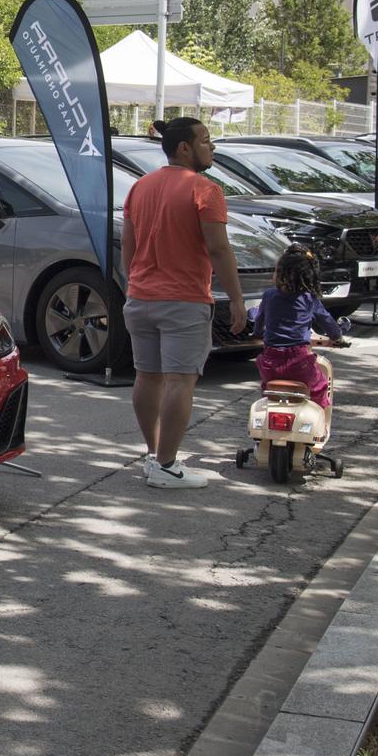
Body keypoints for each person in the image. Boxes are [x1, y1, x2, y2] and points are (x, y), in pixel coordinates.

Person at [120, 117, 250, 489]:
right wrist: (237, 299)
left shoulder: (139, 187)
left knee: (147, 376)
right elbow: (219, 248)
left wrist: (134, 282)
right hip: (184, 301)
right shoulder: (205, 189)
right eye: (206, 141)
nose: (212, 147)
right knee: (180, 381)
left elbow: (127, 244)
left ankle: (153, 455)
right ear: (184, 148)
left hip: (140, 297)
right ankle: (166, 465)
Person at [255, 245, 347, 409]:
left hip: (270, 362)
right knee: (320, 387)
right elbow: (326, 320)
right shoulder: (308, 299)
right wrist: (337, 337)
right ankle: (321, 426)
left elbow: (259, 320)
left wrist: (256, 333)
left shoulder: (268, 295)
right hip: (300, 362)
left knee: (269, 392)